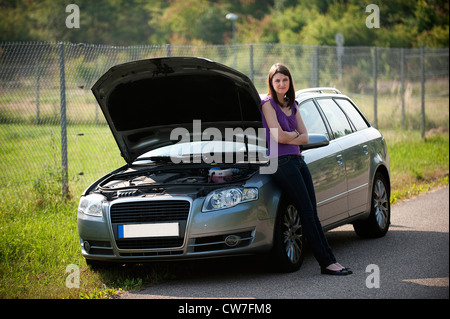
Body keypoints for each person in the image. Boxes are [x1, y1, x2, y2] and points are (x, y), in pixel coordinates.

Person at [260, 63, 352, 276]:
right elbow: (279, 137)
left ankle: (330, 261)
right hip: (280, 162)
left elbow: (306, 137)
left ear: (290, 81)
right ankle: (327, 263)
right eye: (277, 80)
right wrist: (293, 135)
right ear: (271, 83)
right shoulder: (267, 104)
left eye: (285, 80)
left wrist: (289, 134)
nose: (281, 84)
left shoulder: (293, 104)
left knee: (312, 212)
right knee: (307, 213)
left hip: (298, 160)